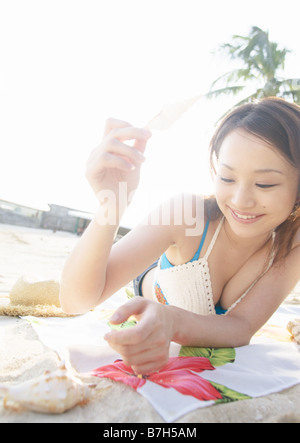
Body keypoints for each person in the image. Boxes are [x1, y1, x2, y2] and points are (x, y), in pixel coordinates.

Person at [60, 97, 300, 375]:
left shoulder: (291, 243)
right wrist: (111, 204)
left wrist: (172, 322)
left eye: (264, 183)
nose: (241, 200)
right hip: (156, 280)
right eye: (227, 178)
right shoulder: (187, 214)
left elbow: (242, 326)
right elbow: (75, 301)